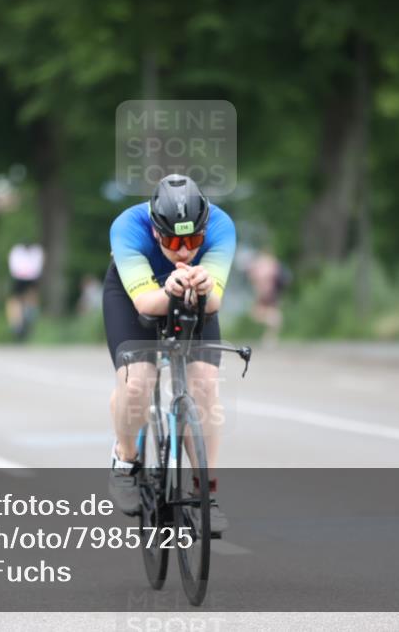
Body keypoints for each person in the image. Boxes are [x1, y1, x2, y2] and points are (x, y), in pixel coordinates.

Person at [104, 174, 236, 534]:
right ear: (155, 229)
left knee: (205, 384)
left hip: (195, 298)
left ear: (204, 228)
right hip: (135, 298)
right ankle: (125, 461)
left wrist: (203, 288)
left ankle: (205, 493)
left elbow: (214, 302)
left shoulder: (221, 225)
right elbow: (146, 303)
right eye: (174, 241)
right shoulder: (128, 227)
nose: (183, 251)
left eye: (193, 240)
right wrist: (170, 291)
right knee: (137, 383)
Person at [6, 242, 44, 341]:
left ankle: (27, 319)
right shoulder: (20, 251)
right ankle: (18, 323)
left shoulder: (35, 251)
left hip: (28, 279)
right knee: (17, 300)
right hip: (21, 279)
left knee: (26, 299)